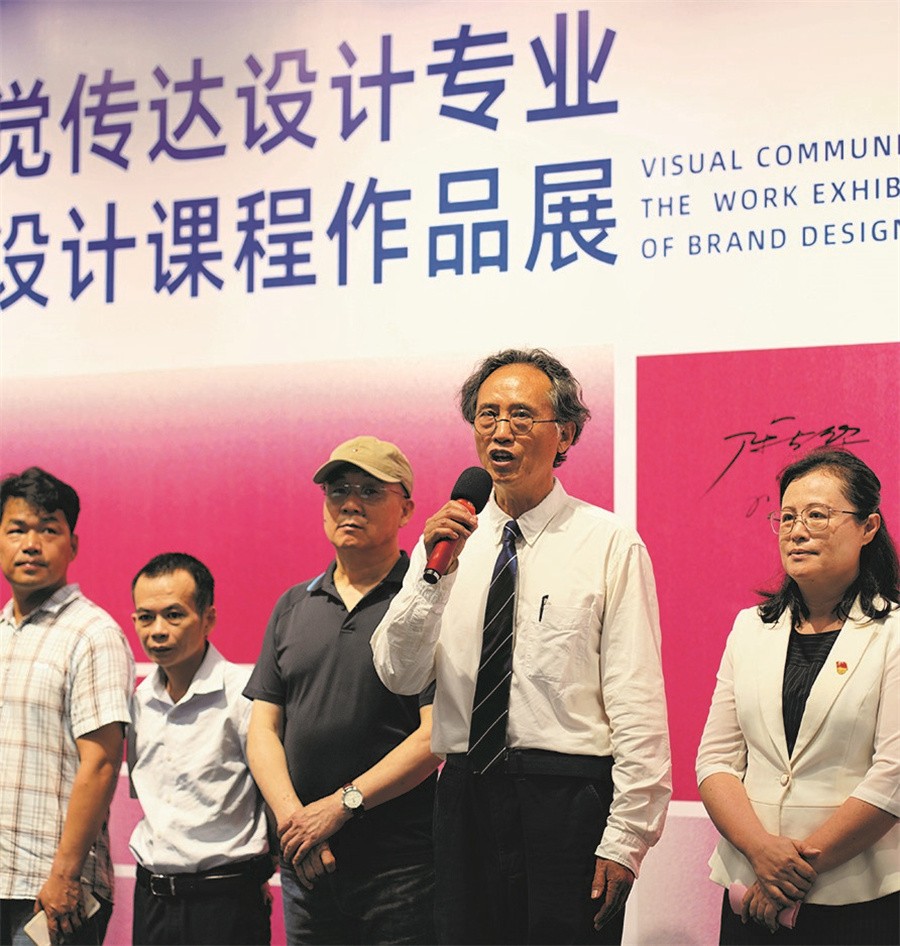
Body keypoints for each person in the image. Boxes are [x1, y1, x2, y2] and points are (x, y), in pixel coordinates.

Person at [371, 348, 672, 945]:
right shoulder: (447, 540)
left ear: (565, 435)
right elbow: (398, 674)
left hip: (566, 797)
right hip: (463, 793)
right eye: (487, 415)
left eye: (521, 416)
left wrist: (626, 838)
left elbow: (636, 700)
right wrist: (433, 577)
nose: (500, 431)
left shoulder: (608, 542)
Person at [696, 448, 899, 945]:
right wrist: (760, 852)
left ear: (868, 527)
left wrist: (789, 874)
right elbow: (716, 760)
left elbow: (892, 775)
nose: (796, 530)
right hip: (749, 888)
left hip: (856, 898)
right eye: (787, 517)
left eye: (817, 515)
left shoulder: (893, 632)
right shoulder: (750, 628)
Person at [244, 436, 441, 945]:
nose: (350, 503)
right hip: (307, 865)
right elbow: (263, 729)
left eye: (370, 491)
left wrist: (339, 806)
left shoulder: (426, 602)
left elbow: (434, 736)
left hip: (400, 868)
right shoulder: (293, 605)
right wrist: (296, 823)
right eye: (338, 490)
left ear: (407, 509)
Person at [0, 467, 133, 946]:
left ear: (73, 545)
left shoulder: (92, 634)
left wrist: (64, 875)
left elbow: (101, 763)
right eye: (17, 529)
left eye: (48, 530)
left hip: (50, 892)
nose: (31, 545)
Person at [128, 552, 272, 946]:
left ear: (208, 618)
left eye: (174, 615)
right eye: (146, 617)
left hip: (227, 901)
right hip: (153, 900)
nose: (158, 631)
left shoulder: (245, 695)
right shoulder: (137, 703)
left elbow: (274, 795)